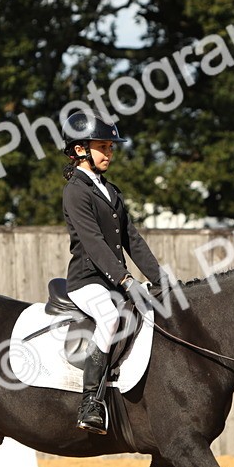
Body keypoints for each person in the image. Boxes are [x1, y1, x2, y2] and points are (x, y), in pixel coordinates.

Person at [60, 110, 168, 434]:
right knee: (109, 318)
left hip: (113, 279)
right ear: (80, 149)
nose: (110, 153)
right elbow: (93, 242)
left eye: (111, 147)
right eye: (103, 146)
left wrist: (161, 280)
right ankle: (90, 402)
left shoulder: (111, 191)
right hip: (87, 280)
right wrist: (125, 279)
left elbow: (132, 239)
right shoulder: (76, 191)